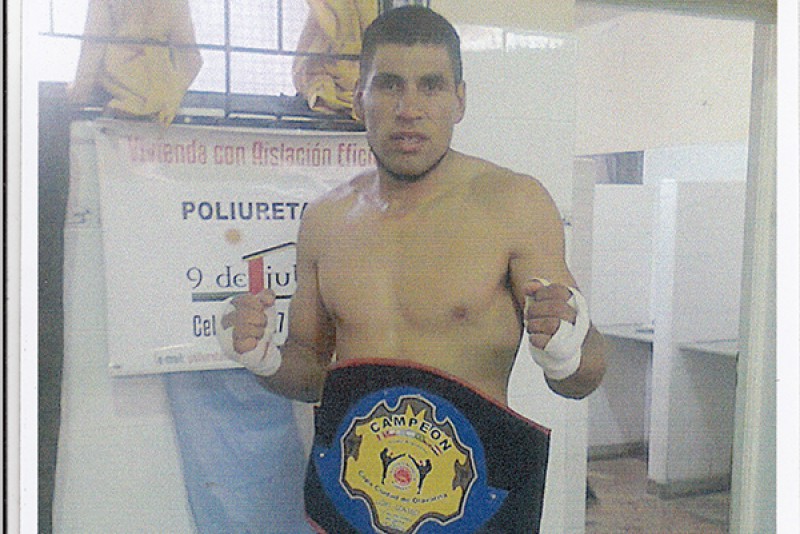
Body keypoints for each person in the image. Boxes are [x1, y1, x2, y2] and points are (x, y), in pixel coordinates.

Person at [219, 5, 606, 409]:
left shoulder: (515, 205)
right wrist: (261, 357)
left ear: (459, 101)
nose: (409, 110)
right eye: (389, 86)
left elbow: (583, 379)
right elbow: (310, 373)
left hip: (474, 450)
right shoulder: (325, 220)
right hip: (355, 450)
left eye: (431, 86)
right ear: (359, 99)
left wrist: (566, 353)